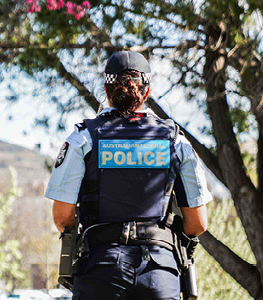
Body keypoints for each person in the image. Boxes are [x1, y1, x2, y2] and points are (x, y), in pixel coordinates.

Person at [45, 51, 210, 300]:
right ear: (146, 91)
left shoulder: (83, 139)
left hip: (100, 270)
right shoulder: (176, 140)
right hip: (160, 271)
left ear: (106, 90)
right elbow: (198, 223)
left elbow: (62, 216)